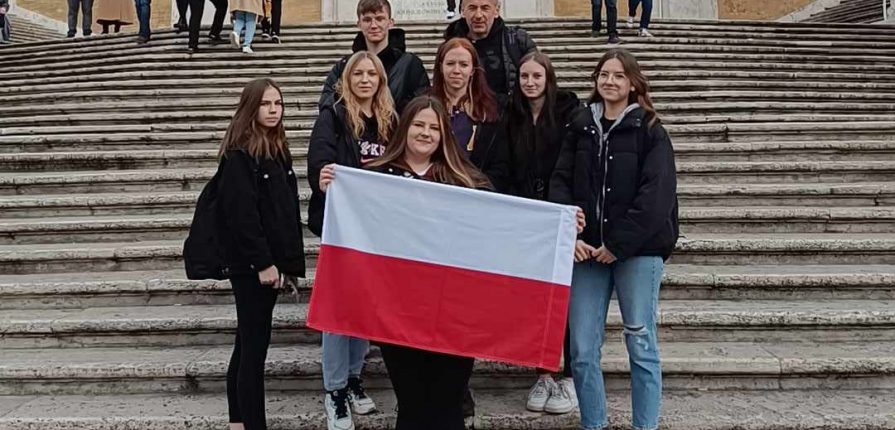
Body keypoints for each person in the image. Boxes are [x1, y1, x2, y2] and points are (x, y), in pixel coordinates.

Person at [549, 48, 678, 430]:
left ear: (633, 83)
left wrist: (618, 244)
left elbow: (656, 197)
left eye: (619, 75)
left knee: (640, 341)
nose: (610, 81)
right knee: (582, 348)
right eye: (604, 74)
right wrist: (569, 227)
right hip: (588, 252)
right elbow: (561, 179)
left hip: (638, 251)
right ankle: (594, 424)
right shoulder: (580, 125)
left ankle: (645, 426)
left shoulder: (650, 129)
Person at [365, 95, 492, 430]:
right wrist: (332, 188)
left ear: (444, 134)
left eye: (434, 128)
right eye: (418, 125)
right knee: (412, 405)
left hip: (453, 313)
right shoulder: (374, 177)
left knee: (449, 406)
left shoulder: (465, 180)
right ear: (404, 129)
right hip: (398, 312)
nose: (425, 133)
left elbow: (499, 227)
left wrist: (563, 224)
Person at [308, 51, 397, 430]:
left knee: (364, 308)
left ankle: (354, 378)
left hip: (376, 230)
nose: (364, 79)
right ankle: (334, 389)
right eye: (357, 73)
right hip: (342, 228)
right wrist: (322, 175)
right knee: (337, 310)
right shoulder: (333, 116)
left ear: (380, 79)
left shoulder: (390, 120)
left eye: (371, 74)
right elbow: (319, 158)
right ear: (347, 79)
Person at [216, 78, 307, 430]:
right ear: (250, 108)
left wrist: (286, 264)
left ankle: (237, 422)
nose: (273, 110)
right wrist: (264, 263)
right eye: (266, 104)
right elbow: (242, 215)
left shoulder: (276, 150)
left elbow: (281, 213)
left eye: (278, 104)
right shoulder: (240, 153)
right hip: (251, 266)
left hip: (267, 263)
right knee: (254, 351)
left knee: (246, 345)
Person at [506, 51, 581, 415]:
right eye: (524, 76)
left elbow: (576, 164)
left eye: (537, 76)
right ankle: (543, 372)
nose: (530, 82)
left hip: (561, 213)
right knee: (537, 299)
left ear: (548, 79)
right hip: (528, 216)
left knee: (565, 299)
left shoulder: (569, 113)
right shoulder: (512, 115)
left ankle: (570, 375)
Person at [319, 0, 430, 115]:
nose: (373, 25)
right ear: (359, 24)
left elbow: (422, 104)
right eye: (367, 20)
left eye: (379, 19)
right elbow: (327, 103)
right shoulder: (344, 66)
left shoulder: (410, 65)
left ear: (390, 23)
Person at [431, 37, 510, 193]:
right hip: (433, 189)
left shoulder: (494, 109)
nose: (456, 70)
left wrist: (478, 188)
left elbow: (501, 164)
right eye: (450, 64)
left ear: (473, 70)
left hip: (477, 192)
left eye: (464, 65)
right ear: (441, 67)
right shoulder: (424, 105)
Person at [443, 0, 537, 106]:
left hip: (509, 112)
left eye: (485, 8)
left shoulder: (517, 41)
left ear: (496, 11)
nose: (478, 15)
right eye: (472, 8)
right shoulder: (449, 46)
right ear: (463, 11)